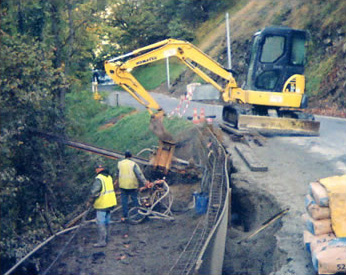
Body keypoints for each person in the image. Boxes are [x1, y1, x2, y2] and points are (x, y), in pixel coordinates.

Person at [87, 163, 117, 247]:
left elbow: (94, 192)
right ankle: (107, 238)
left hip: (102, 204)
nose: (95, 170)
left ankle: (102, 241)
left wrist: (90, 201)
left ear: (99, 169)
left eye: (96, 168)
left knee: (100, 223)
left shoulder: (99, 178)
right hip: (110, 203)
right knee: (107, 221)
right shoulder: (109, 177)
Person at [116, 150, 149, 222]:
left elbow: (117, 174)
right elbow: (139, 174)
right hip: (132, 185)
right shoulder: (133, 164)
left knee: (124, 201)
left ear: (125, 156)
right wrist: (145, 182)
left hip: (122, 185)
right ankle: (138, 215)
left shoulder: (120, 163)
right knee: (135, 200)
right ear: (131, 156)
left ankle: (125, 216)